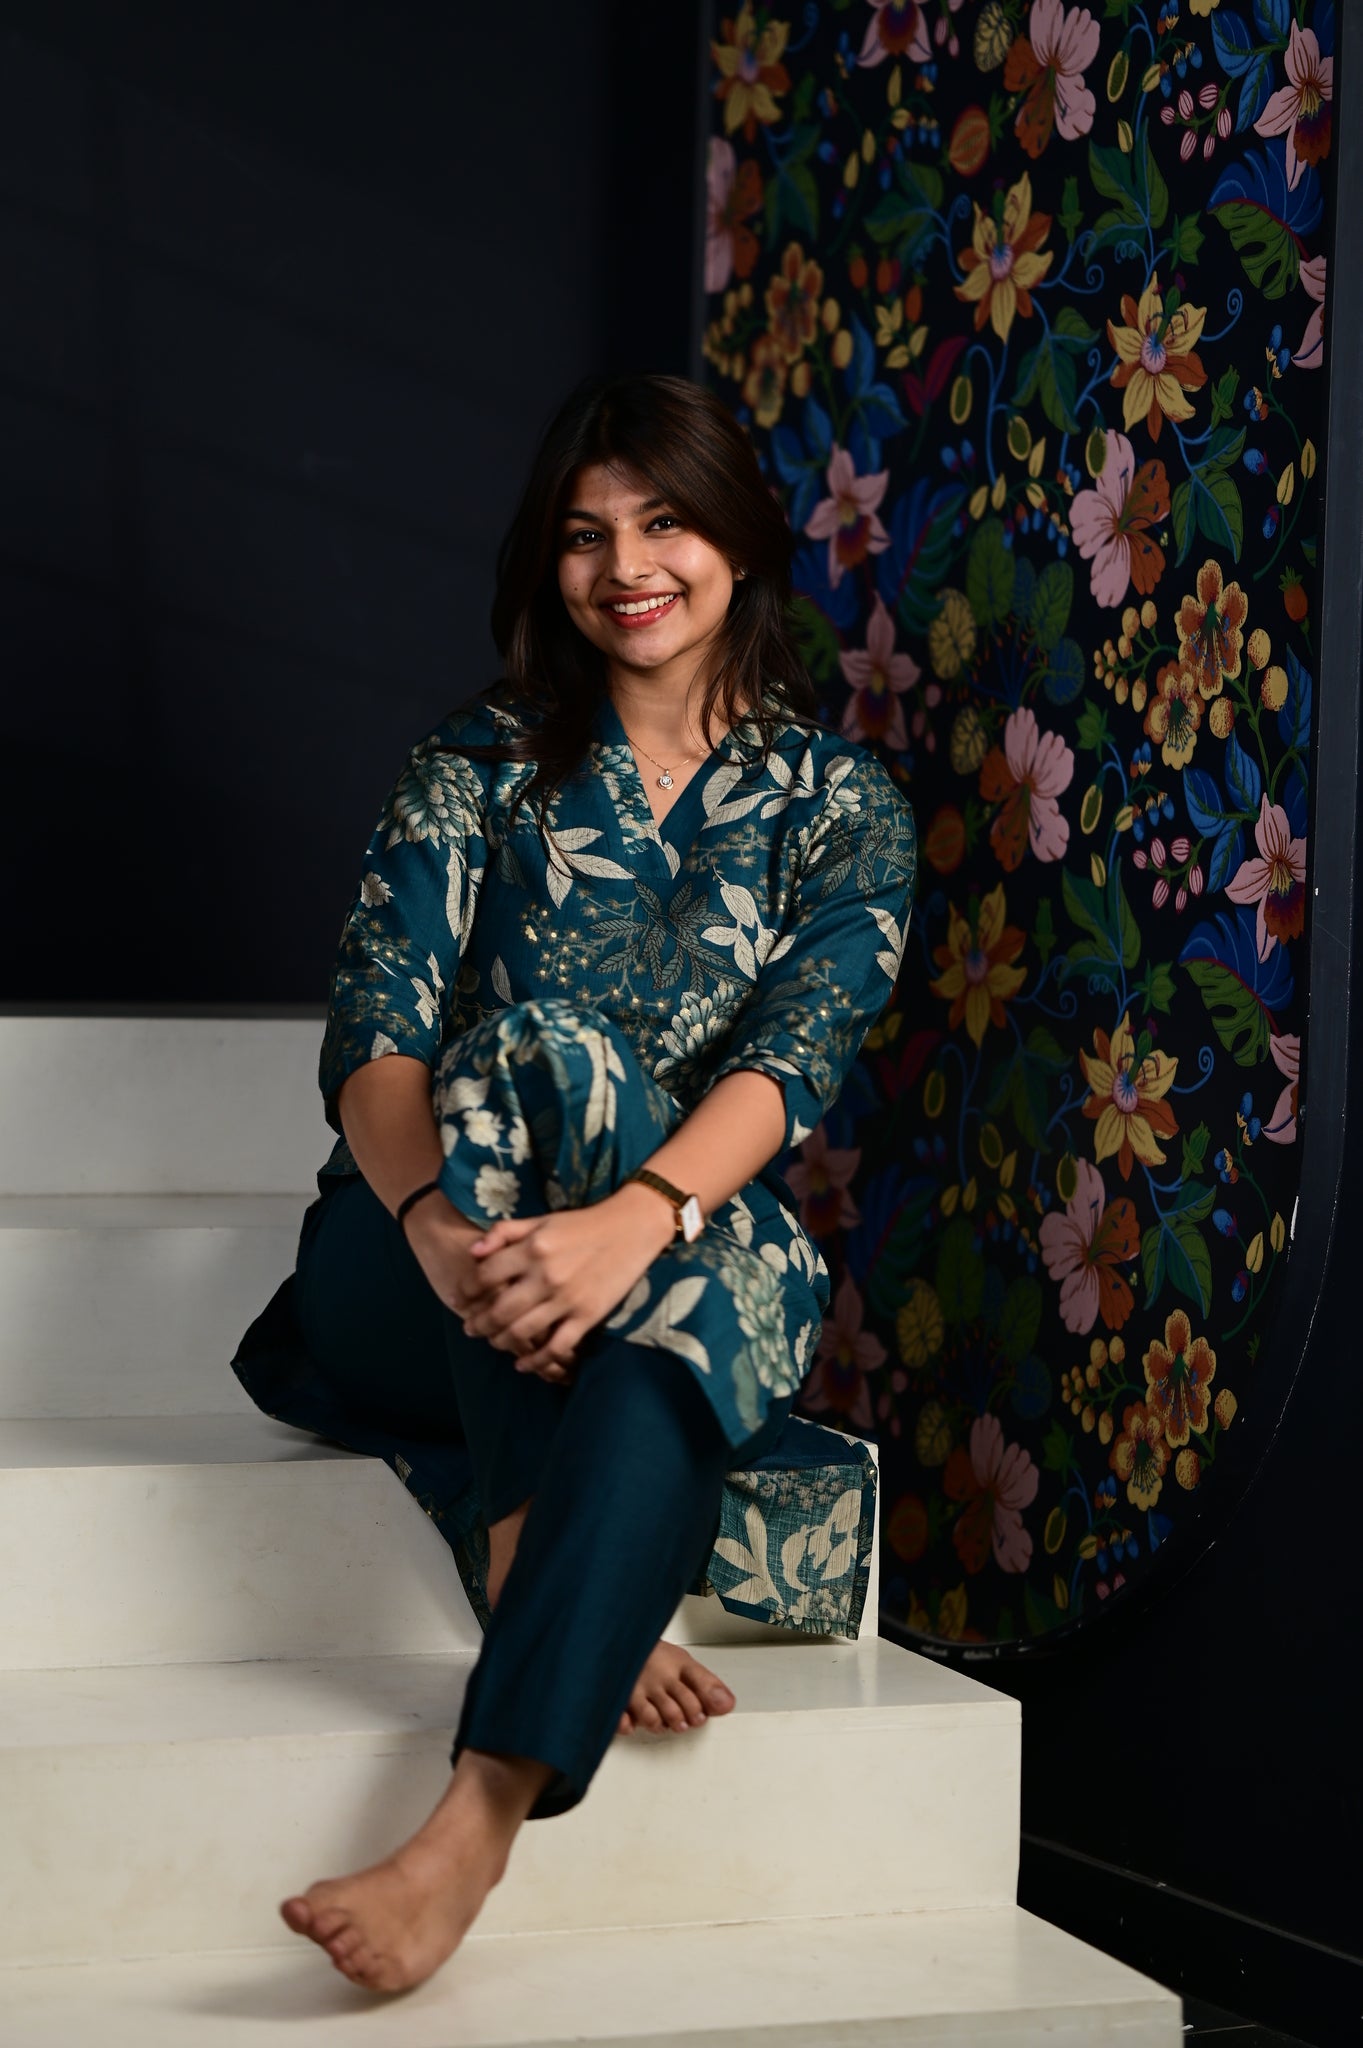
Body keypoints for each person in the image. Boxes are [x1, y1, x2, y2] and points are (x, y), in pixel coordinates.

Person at [231, 372, 918, 1993]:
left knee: (716, 1282)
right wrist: (438, 1227)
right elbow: (376, 1049)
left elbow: (788, 1070)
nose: (627, 566)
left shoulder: (839, 809)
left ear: (739, 539)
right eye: (585, 533)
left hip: (666, 1255)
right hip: (413, 1272)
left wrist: (635, 1224)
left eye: (665, 521)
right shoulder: (475, 764)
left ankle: (472, 1820)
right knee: (539, 1048)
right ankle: (534, 1517)